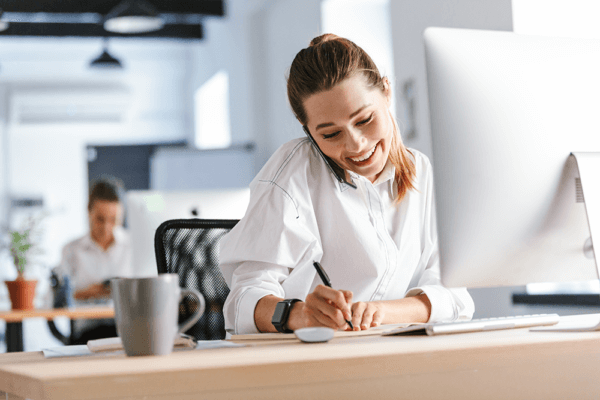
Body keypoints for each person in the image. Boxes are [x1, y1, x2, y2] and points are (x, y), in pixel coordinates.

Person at [219, 34, 474, 335]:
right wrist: (299, 314)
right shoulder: (293, 172)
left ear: (386, 92)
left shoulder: (420, 171)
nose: (356, 144)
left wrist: (380, 312)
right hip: (308, 362)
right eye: (330, 134)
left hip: (392, 354)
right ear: (309, 131)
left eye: (364, 119)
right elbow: (242, 303)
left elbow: (455, 297)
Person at [57, 177, 133, 343]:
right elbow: (57, 299)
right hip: (87, 333)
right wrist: (89, 292)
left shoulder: (133, 247)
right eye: (100, 219)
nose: (107, 227)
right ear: (89, 212)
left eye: (114, 220)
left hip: (128, 329)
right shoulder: (71, 250)